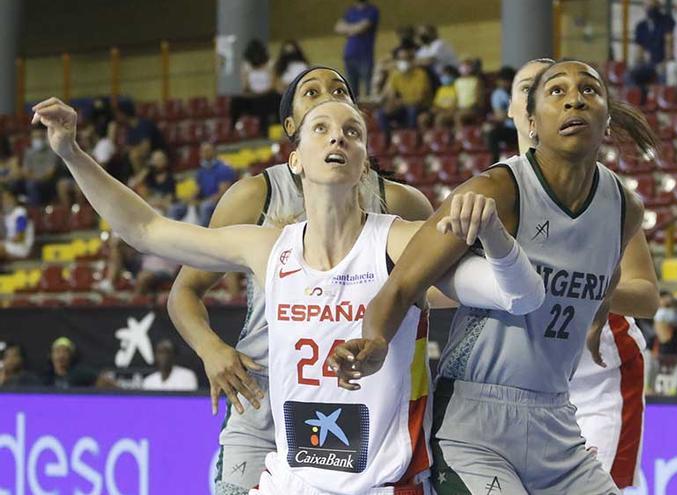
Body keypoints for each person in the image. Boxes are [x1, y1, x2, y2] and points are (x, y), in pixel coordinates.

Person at [34, 94, 544, 495]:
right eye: (320, 128)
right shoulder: (268, 248)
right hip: (289, 481)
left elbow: (520, 297)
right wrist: (72, 154)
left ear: (364, 162)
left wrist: (496, 237)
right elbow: (145, 229)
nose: (337, 138)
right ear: (295, 159)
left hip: (384, 485)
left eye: (352, 132)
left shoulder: (400, 239)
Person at [333, 59, 658, 494]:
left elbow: (604, 278)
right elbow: (403, 283)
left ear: (606, 119)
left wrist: (595, 320)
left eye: (589, 90)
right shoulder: (494, 191)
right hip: (474, 421)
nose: (575, 99)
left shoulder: (623, 207)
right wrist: (375, 341)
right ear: (532, 122)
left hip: (557, 420)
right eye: (556, 92)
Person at [168, 66, 435, 494]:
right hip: (263, 400)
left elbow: (434, 289)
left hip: (360, 407)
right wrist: (210, 348)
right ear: (292, 129)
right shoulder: (255, 196)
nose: (328, 95)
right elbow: (184, 290)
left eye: (340, 91)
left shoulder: (399, 202)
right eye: (312, 92)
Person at [490, 57, 661, 489]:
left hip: (594, 377)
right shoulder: (495, 188)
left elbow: (646, 296)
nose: (566, 100)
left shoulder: (607, 193)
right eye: (538, 88)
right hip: (519, 385)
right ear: (517, 110)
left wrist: (586, 286)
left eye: (575, 92)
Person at [378, 46, 433, 138]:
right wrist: (392, 103)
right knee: (382, 113)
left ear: (412, 60)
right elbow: (391, 94)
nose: (403, 62)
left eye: (406, 59)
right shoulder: (396, 75)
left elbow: (419, 99)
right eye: (400, 59)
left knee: (412, 109)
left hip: (421, 107)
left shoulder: (421, 74)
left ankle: (410, 138)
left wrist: (402, 102)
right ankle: (387, 139)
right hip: (403, 106)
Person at [335, 0, 380, 98]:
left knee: (369, 90)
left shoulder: (372, 11)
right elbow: (338, 27)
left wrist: (348, 29)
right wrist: (354, 29)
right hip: (349, 55)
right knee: (351, 92)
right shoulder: (351, 11)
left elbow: (361, 28)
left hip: (365, 56)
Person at [629, 0, 675, 91]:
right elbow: (639, 50)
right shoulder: (641, 26)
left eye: (653, 6)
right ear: (643, 7)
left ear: (658, 6)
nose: (650, 9)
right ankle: (637, 100)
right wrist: (639, 61)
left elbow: (669, 44)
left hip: (663, 63)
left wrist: (666, 62)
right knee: (630, 75)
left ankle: (659, 100)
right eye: (648, 6)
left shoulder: (667, 21)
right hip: (649, 64)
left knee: (664, 76)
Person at [234, 39, 278, 133]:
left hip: (267, 95)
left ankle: (266, 130)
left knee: (271, 99)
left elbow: (273, 85)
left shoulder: (270, 64)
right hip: (253, 96)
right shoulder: (246, 66)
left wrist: (263, 93)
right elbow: (245, 87)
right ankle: (233, 128)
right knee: (236, 101)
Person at [22, 124, 69, 206]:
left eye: (40, 137)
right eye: (35, 137)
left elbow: (50, 173)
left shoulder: (52, 151)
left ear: (45, 137)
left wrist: (36, 178)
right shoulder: (29, 152)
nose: (37, 139)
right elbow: (26, 172)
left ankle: (36, 210)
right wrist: (35, 178)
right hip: (35, 181)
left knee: (31, 185)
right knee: (20, 183)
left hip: (50, 183)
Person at [195, 142, 237, 226]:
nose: (205, 153)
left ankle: (204, 234)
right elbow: (198, 191)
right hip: (207, 199)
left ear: (214, 151)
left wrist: (211, 199)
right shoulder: (201, 171)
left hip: (221, 200)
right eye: (203, 151)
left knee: (205, 206)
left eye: (208, 150)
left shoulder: (223, 168)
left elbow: (224, 191)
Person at [485, 65, 518, 162]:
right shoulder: (498, 94)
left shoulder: (521, 92)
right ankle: (495, 161)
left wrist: (506, 114)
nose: (504, 83)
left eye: (507, 81)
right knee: (492, 133)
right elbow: (500, 116)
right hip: (511, 129)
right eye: (502, 80)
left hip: (524, 129)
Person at [0, 187, 34, 261]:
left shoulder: (20, 212)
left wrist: (7, 241)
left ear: (14, 199)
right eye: (3, 199)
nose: (4, 201)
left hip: (21, 247)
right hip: (10, 245)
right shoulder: (8, 214)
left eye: (7, 198)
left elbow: (20, 236)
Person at [452, 58, 484, 128]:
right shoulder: (457, 82)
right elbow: (456, 97)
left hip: (473, 108)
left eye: (467, 65)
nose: (465, 68)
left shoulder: (476, 80)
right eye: (463, 65)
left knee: (460, 117)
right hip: (460, 108)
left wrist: (475, 106)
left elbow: (479, 97)